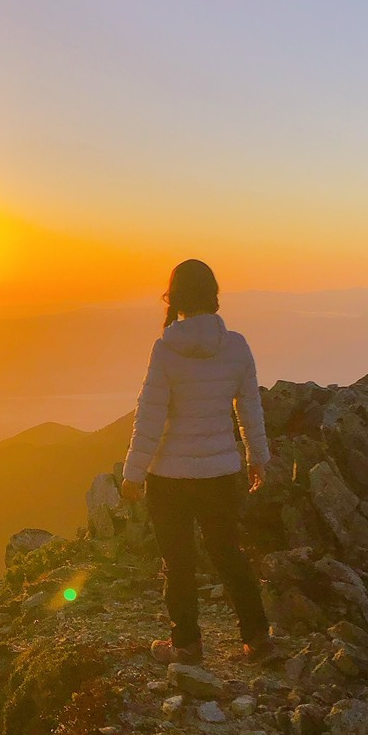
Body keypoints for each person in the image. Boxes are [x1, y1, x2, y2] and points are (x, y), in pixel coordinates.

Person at [118, 259, 272, 663]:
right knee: (229, 554)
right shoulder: (237, 345)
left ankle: (186, 645)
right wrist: (258, 458)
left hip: (169, 476)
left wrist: (132, 474)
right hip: (220, 472)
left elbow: (150, 414)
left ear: (176, 297)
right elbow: (250, 408)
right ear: (214, 294)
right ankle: (257, 638)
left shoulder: (166, 348)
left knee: (178, 561)